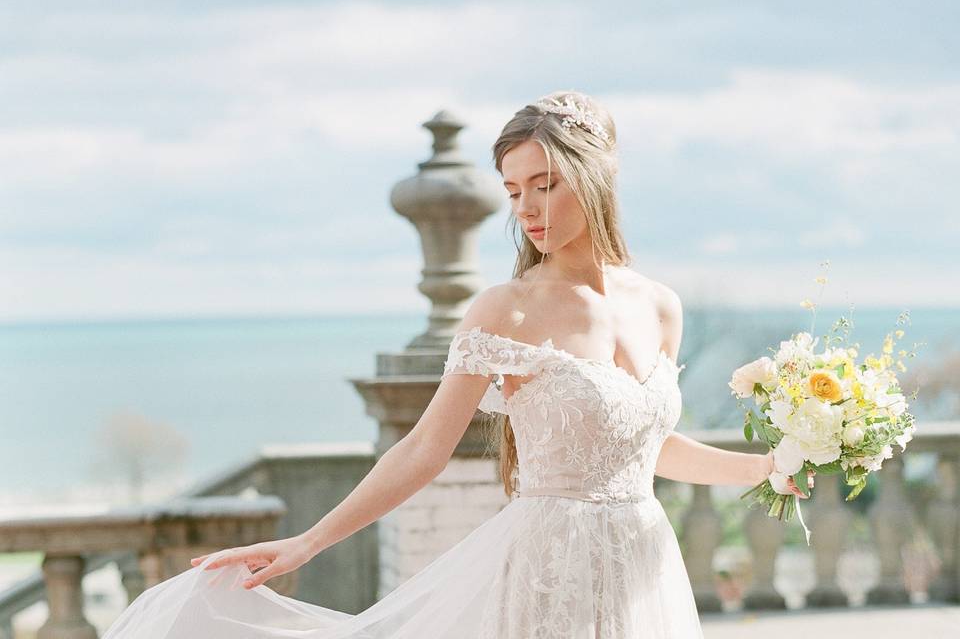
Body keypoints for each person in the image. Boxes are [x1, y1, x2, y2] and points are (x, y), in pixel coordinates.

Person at [102, 90, 814, 638]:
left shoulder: (661, 305)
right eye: (513, 191)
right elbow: (422, 448)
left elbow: (648, 447)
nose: (528, 210)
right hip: (549, 570)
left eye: (545, 184)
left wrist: (766, 467)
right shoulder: (505, 310)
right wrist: (310, 541)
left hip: (645, 565)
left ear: (594, 177)